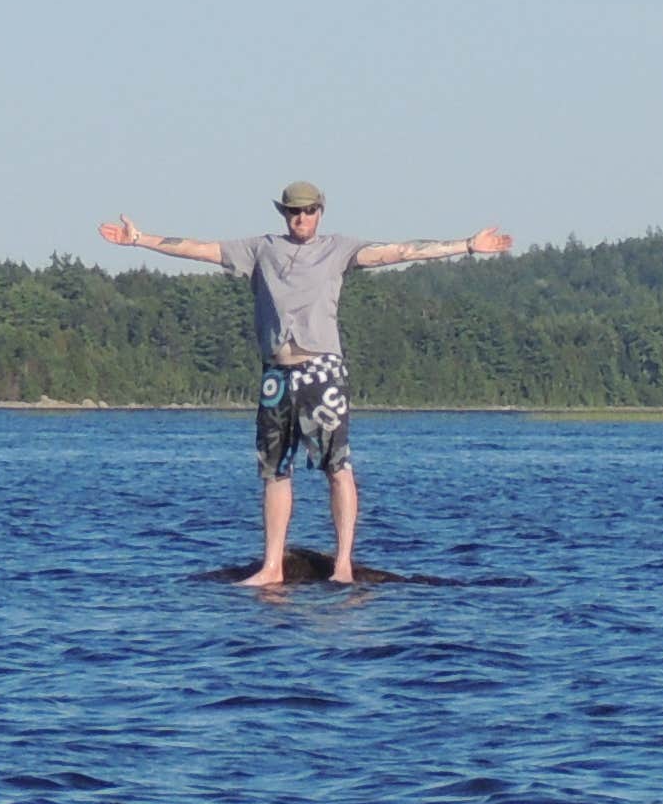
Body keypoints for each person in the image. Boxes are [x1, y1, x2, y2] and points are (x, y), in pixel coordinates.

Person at [99, 182, 514, 584]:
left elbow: (400, 252)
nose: (302, 218)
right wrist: (140, 240)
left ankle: (344, 564)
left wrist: (466, 245)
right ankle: (272, 566)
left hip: (322, 371)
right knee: (275, 469)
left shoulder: (338, 249)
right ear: (284, 213)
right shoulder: (260, 248)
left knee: (337, 465)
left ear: (320, 212)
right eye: (294, 211)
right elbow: (201, 249)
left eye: (309, 210)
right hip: (276, 374)